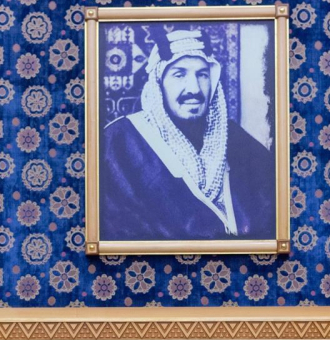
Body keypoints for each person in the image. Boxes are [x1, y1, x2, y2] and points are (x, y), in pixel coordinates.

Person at [99, 27, 276, 242]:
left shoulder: (235, 138)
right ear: (158, 85)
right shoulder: (118, 143)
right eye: (179, 74)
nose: (193, 88)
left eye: (202, 75)